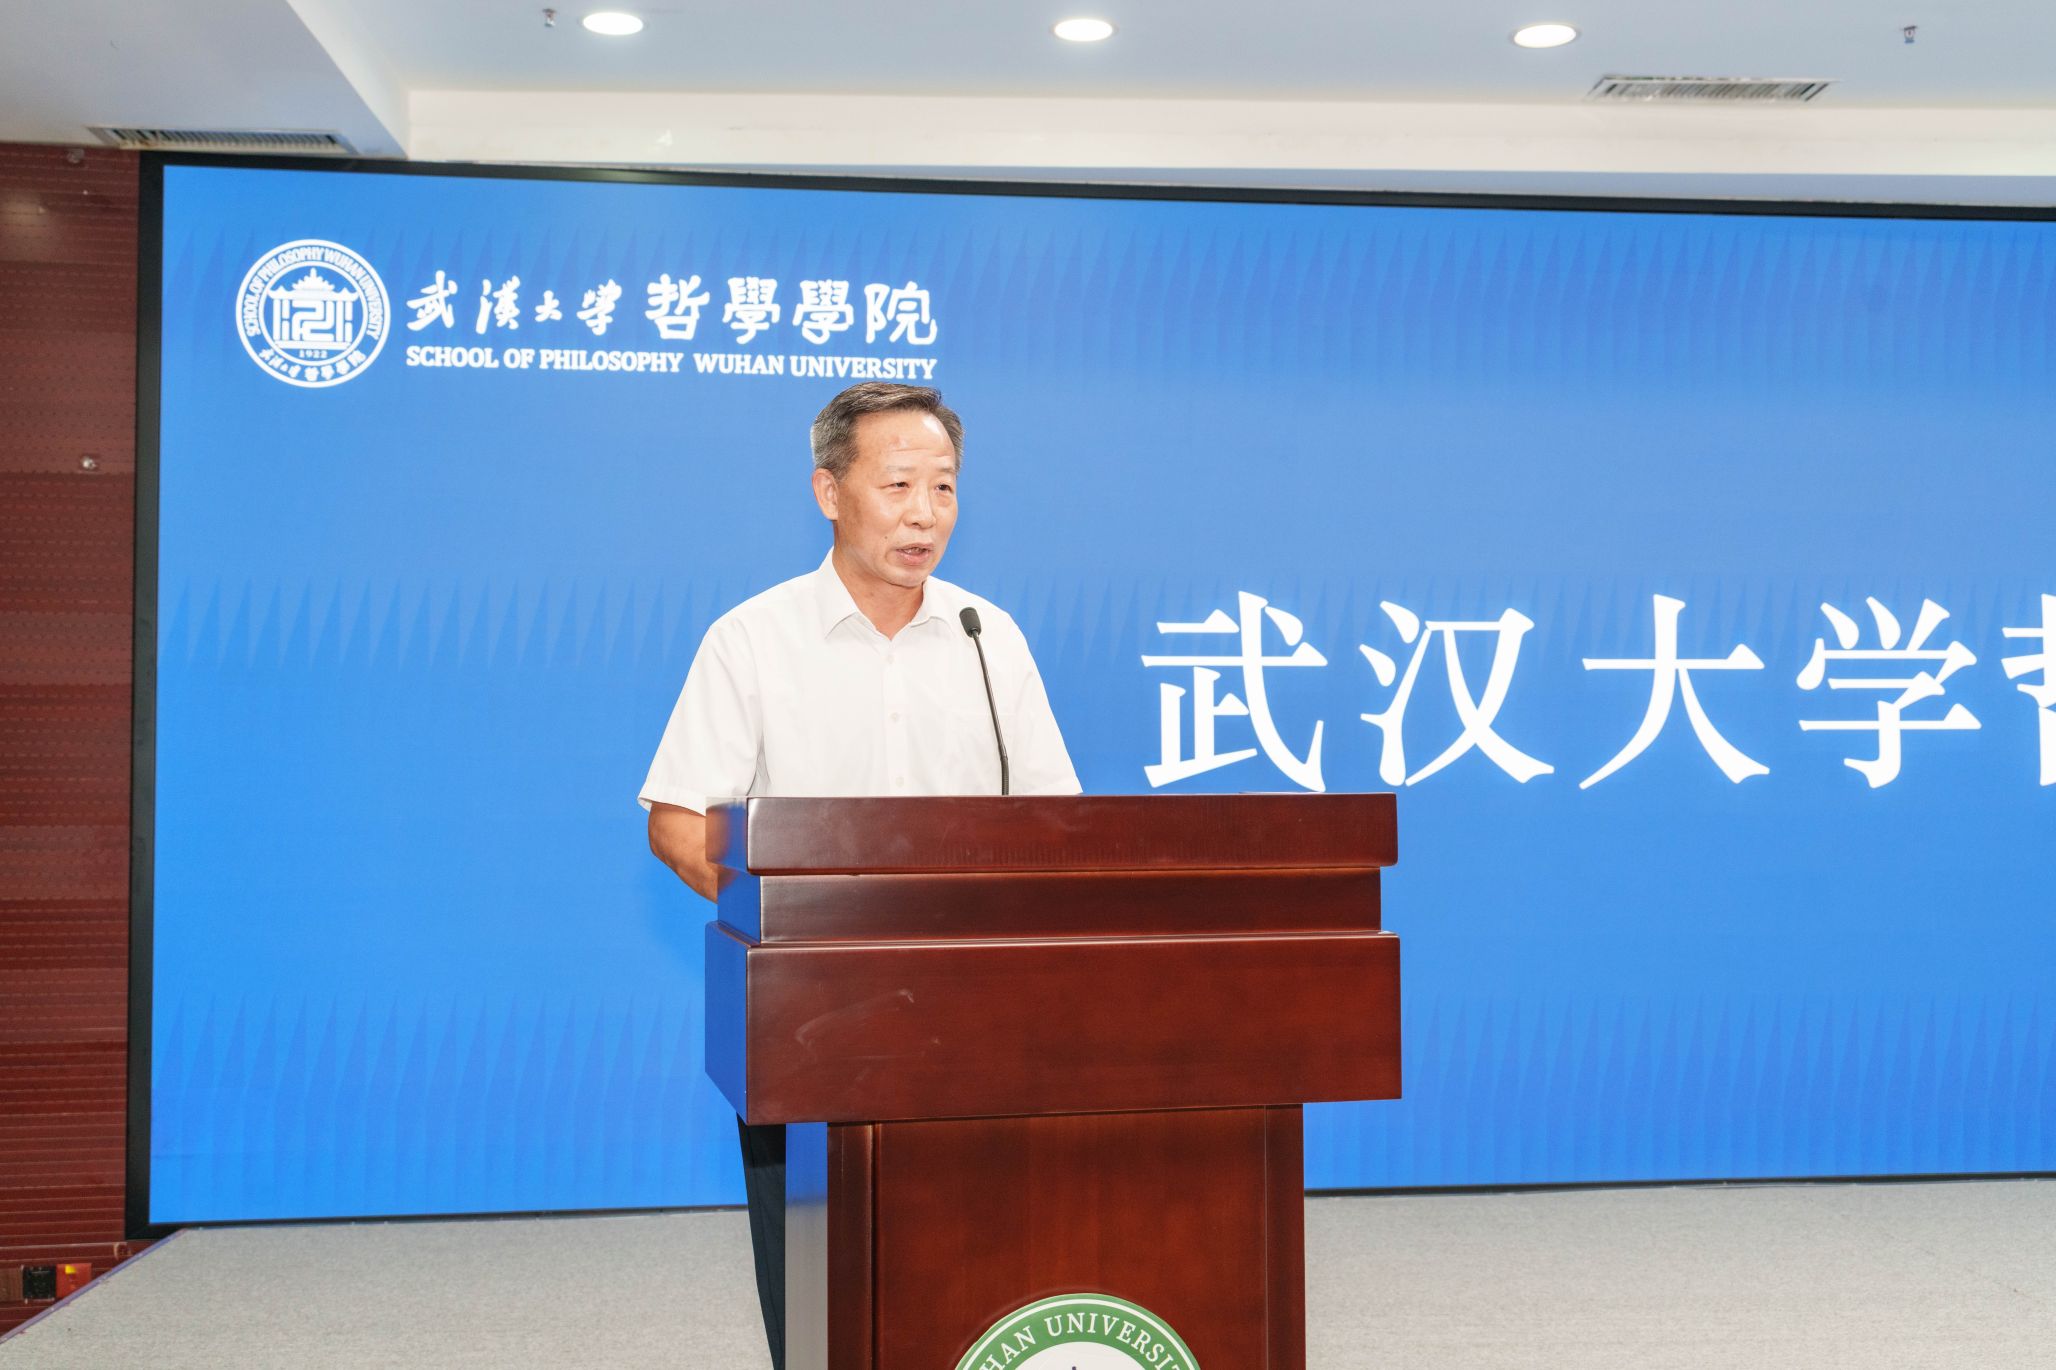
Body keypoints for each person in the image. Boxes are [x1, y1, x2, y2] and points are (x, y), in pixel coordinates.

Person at [638, 381, 1082, 1370]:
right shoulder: (753, 639)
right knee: (819, 1284)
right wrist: (790, 924)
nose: (925, 513)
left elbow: (1058, 824)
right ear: (829, 492)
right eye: (898, 485)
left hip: (976, 1004)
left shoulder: (988, 637)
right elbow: (677, 822)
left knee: (977, 1256)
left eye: (944, 487)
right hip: (811, 1009)